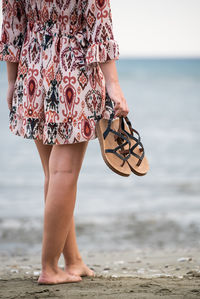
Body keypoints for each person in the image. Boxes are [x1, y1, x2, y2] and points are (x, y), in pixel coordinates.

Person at [0, 0, 129, 284]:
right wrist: (113, 84)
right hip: (76, 68)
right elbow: (99, 26)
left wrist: (11, 81)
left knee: (53, 173)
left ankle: (73, 261)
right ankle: (49, 268)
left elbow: (12, 24)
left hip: (31, 67)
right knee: (64, 173)